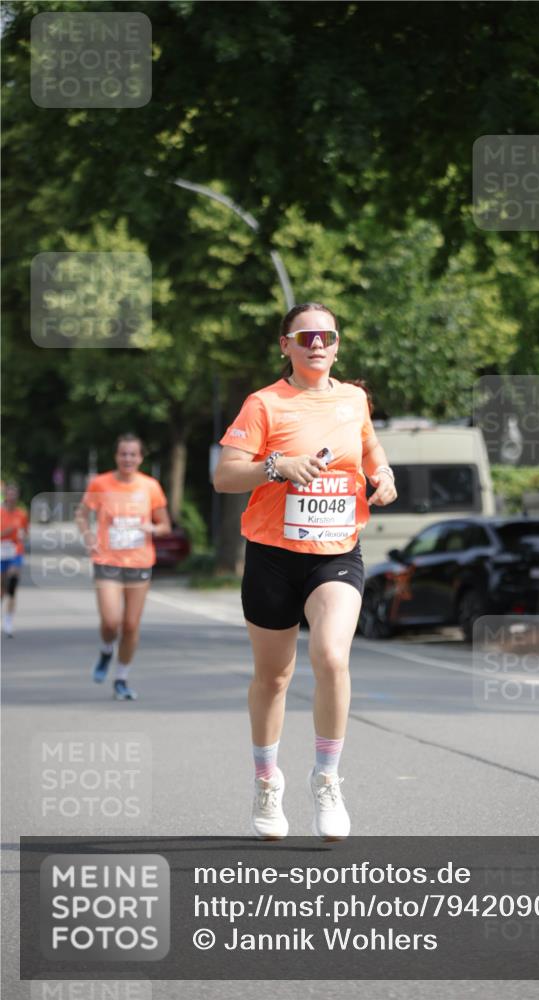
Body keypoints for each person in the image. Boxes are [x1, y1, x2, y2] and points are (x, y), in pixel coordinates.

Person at [214, 302, 397, 840]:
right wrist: (277, 467)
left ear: (337, 344)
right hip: (272, 555)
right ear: (285, 345)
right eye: (306, 336)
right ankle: (268, 782)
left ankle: (327, 778)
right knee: (274, 678)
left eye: (328, 335)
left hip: (337, 552)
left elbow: (369, 447)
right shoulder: (264, 403)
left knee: (331, 655)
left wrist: (382, 474)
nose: (318, 344)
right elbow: (225, 477)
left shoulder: (354, 399)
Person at [76, 434, 171, 701]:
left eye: (133, 454)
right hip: (107, 560)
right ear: (116, 456)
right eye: (123, 454)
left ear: (140, 458)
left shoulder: (150, 486)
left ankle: (121, 678)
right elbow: (82, 515)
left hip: (139, 562)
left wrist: (152, 527)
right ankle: (107, 649)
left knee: (130, 626)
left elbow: (165, 524)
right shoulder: (101, 483)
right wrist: (88, 536)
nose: (127, 459)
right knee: (111, 622)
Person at [1, 483, 29, 637]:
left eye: (14, 494)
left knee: (12, 584)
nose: (12, 497)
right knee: (1, 588)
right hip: (1, 552)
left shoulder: (22, 513)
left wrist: (23, 536)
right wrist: (7, 531)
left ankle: (8, 621)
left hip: (15, 552)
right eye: (9, 494)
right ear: (6, 495)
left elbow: (25, 532)